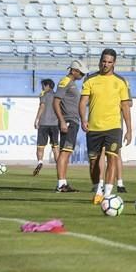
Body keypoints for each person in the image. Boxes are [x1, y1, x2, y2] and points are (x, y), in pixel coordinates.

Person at [79, 49, 133, 205]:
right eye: (104, 61)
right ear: (100, 61)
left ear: (114, 63)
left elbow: (125, 107)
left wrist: (129, 129)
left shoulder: (120, 81)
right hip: (94, 127)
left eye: (109, 62)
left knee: (112, 158)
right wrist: (83, 119)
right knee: (94, 162)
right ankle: (98, 188)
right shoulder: (90, 80)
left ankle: (108, 194)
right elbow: (83, 102)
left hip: (113, 127)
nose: (106, 64)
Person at [52, 60, 88, 192]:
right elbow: (56, 102)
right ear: (73, 71)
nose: (83, 75)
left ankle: (63, 183)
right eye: (81, 73)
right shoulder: (65, 81)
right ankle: (61, 184)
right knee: (65, 153)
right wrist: (62, 120)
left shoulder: (71, 83)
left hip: (72, 121)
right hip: (68, 121)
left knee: (66, 153)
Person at [33, 79, 59, 176]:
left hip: (44, 123)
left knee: (40, 146)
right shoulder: (57, 95)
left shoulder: (43, 94)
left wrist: (37, 119)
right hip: (55, 124)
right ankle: (59, 166)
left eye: (43, 85)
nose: (42, 87)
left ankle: (40, 162)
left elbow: (42, 106)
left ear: (47, 85)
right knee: (55, 146)